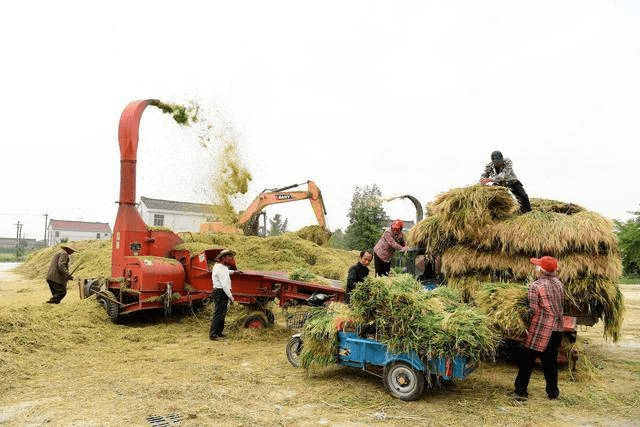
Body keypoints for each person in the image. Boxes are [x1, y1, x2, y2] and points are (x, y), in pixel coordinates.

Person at [511, 256, 564, 401]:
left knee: (527, 360)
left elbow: (533, 309)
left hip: (541, 329)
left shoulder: (536, 286)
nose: (536, 268)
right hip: (556, 328)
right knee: (551, 362)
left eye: (538, 266)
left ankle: (521, 392)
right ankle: (553, 393)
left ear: (541, 270)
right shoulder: (559, 283)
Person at [209, 249, 238, 340]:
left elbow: (226, 272)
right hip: (221, 292)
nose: (231, 258)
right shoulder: (220, 269)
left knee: (222, 313)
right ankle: (213, 334)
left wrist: (233, 272)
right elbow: (225, 285)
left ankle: (219, 332)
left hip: (220, 292)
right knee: (219, 313)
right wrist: (231, 297)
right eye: (229, 256)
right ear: (223, 258)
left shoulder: (220, 267)